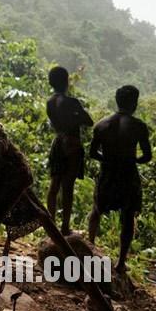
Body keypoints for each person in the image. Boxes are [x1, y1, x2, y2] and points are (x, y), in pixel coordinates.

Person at [88, 85, 152, 273]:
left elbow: (93, 153)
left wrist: (108, 160)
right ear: (134, 103)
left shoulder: (102, 124)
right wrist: (132, 160)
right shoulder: (139, 126)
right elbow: (147, 156)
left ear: (117, 101)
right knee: (128, 216)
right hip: (128, 174)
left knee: (96, 210)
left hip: (108, 173)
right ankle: (121, 262)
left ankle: (89, 247)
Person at [46, 66, 93, 235]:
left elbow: (55, 122)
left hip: (58, 141)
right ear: (66, 81)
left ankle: (50, 224)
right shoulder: (72, 102)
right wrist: (76, 117)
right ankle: (65, 226)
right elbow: (88, 121)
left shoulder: (50, 102)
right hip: (72, 143)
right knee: (68, 187)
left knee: (54, 184)